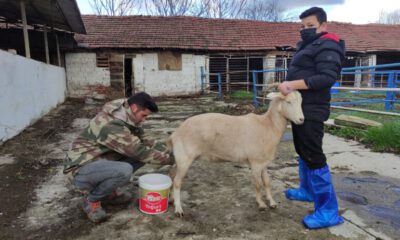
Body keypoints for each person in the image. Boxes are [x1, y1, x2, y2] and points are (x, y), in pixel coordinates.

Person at [278, 7, 345, 229]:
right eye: (303, 26)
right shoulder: (308, 46)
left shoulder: (329, 45)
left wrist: (290, 85)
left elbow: (327, 77)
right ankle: (307, 190)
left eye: (310, 26)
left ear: (324, 26)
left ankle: (328, 211)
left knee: (314, 155)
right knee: (302, 150)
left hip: (312, 110)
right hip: (299, 108)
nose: (305, 30)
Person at [63, 92, 172, 223]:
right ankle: (91, 200)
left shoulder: (127, 116)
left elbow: (144, 141)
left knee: (138, 158)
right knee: (125, 169)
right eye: (144, 116)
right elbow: (140, 151)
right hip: (80, 170)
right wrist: (173, 160)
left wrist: (170, 151)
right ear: (134, 108)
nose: (144, 120)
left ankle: (109, 193)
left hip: (99, 160)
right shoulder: (111, 125)